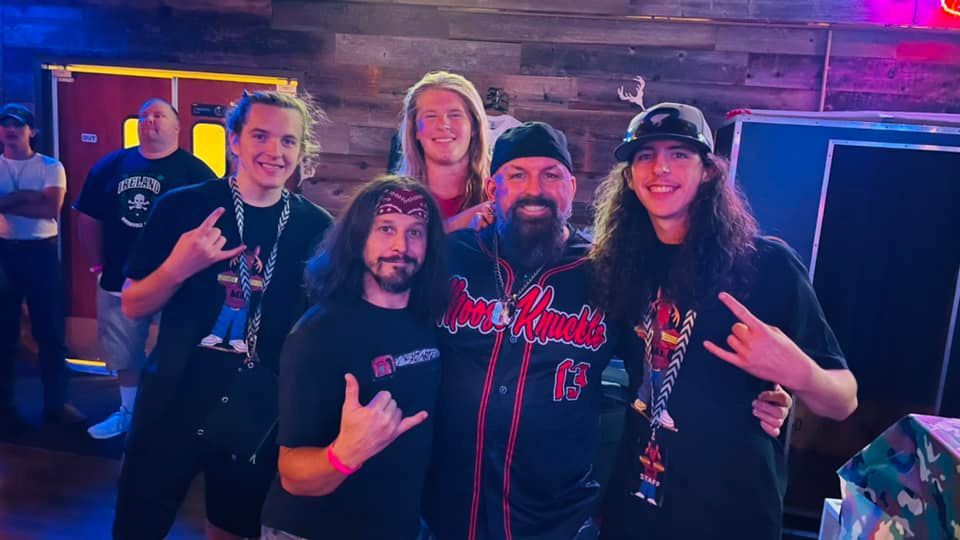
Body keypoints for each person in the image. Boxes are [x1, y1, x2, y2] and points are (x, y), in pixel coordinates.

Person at [591, 103, 858, 539]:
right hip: (636, 508)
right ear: (630, 178)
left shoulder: (767, 265)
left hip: (732, 514)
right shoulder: (620, 265)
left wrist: (799, 374)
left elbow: (844, 401)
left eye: (679, 154)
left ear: (708, 172)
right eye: (645, 155)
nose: (660, 168)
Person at [112, 90, 333, 540]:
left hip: (257, 405)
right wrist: (179, 266)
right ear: (234, 140)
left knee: (233, 527)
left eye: (288, 141)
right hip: (174, 394)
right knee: (138, 524)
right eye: (260, 136)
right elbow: (133, 304)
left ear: (301, 150)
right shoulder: (183, 207)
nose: (275, 151)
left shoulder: (317, 226)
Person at [260, 174, 448, 540]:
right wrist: (345, 453)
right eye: (386, 228)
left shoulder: (430, 320)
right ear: (358, 236)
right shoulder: (318, 334)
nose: (401, 245)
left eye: (415, 232)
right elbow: (292, 474)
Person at [74, 97, 215, 440]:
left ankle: (170, 419)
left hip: (178, 282)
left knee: (178, 350)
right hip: (120, 278)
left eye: (158, 115)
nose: (149, 120)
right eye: (144, 115)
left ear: (177, 127)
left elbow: (215, 226)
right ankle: (128, 412)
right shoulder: (110, 165)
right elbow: (88, 216)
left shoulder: (196, 172)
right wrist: (96, 264)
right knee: (123, 353)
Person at [0, 103, 85, 433]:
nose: (11, 130)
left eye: (18, 125)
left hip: (40, 252)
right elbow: (38, 204)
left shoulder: (50, 166)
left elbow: (51, 208)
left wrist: (8, 201)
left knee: (50, 331)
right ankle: (4, 407)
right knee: (4, 333)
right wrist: (25, 197)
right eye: (5, 124)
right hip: (4, 251)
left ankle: (56, 404)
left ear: (32, 131)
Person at [397, 71, 494, 231]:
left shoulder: (499, 194)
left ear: (474, 127)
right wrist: (464, 221)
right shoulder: (392, 198)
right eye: (431, 116)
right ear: (415, 131)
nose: (443, 124)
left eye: (455, 115)